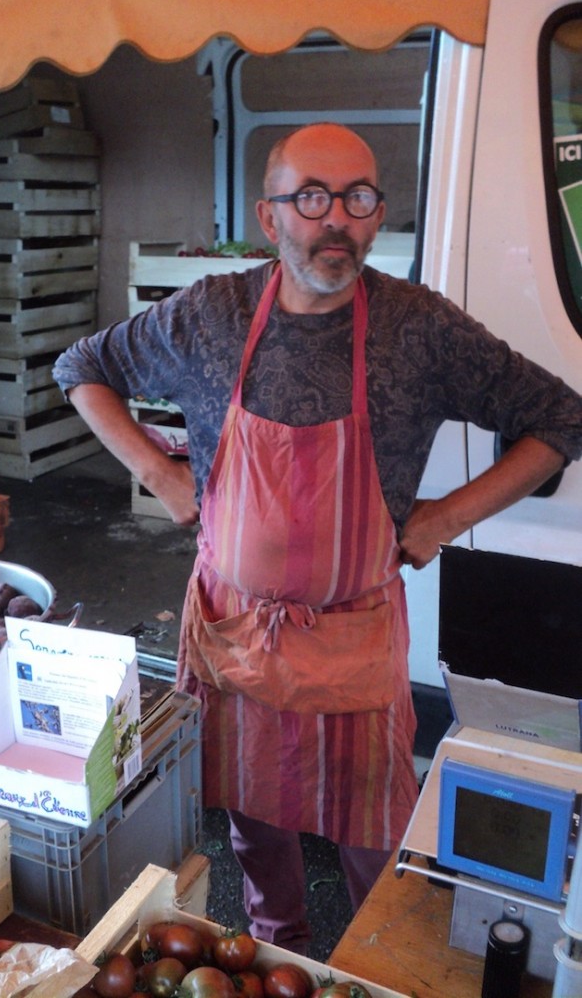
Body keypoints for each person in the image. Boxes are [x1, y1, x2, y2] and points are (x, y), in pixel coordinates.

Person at [53, 123, 582, 953]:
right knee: (254, 821)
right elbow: (80, 370)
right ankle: (280, 948)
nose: (335, 218)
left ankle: (384, 959)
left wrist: (444, 517)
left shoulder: (418, 329)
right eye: (311, 196)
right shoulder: (212, 314)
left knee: (376, 833)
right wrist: (161, 476)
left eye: (358, 197)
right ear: (271, 218)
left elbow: (560, 418)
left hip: (354, 643)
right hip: (234, 636)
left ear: (376, 218)